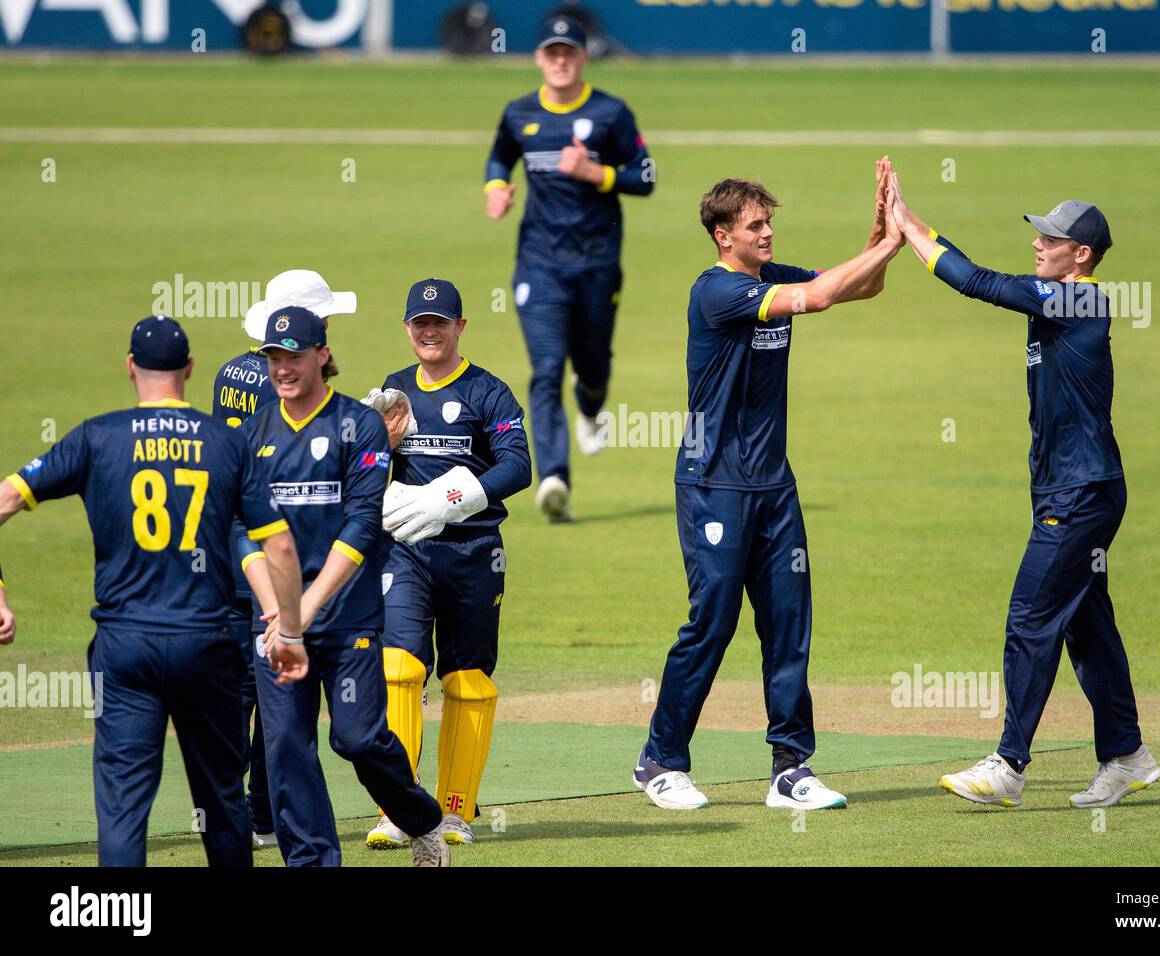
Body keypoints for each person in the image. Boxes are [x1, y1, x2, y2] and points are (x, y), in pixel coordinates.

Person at [888, 172, 1160, 809]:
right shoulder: (1056, 298)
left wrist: (907, 231)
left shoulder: (1078, 302)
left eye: (1052, 237)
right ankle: (1127, 753)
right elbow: (981, 274)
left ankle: (1009, 765)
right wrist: (910, 216)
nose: (1038, 242)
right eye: (1039, 232)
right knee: (1086, 626)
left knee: (1032, 616)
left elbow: (976, 281)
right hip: (1072, 490)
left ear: (1082, 255)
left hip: (1080, 494)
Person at [636, 162, 902, 811]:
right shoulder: (717, 291)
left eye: (770, 222)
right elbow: (816, 297)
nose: (768, 233)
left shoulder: (766, 278)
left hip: (772, 485)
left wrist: (877, 237)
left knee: (788, 623)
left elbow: (855, 291)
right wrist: (895, 241)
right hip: (713, 483)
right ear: (724, 234)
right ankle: (660, 761)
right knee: (713, 621)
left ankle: (790, 770)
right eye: (756, 225)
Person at [0, 315, 307, 866]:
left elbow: (6, 499)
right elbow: (280, 548)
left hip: (126, 647)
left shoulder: (97, 436)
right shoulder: (226, 444)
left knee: (123, 807)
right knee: (220, 800)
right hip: (206, 644)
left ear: (130, 369)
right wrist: (288, 629)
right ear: (190, 369)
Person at [238, 306, 449, 866]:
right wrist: (276, 609)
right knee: (285, 750)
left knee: (355, 739)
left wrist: (303, 609)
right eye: (274, 357)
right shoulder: (254, 432)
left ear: (322, 355)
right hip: (279, 623)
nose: (283, 368)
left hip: (346, 618)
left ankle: (421, 819)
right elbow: (239, 529)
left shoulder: (358, 426)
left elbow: (360, 524)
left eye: (294, 355)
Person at [359, 278, 531, 849]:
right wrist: (365, 441)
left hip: (474, 553)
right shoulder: (394, 389)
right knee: (400, 670)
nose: (429, 332)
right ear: (408, 329)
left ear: (460, 327)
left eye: (440, 322)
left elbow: (518, 465)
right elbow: (363, 467)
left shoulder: (489, 391)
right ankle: (399, 808)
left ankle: (455, 811)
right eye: (419, 324)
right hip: (406, 551)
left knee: (468, 680)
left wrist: (453, 499)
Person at [484, 14, 653, 521]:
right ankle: (555, 475)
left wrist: (596, 172)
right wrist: (496, 190)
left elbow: (645, 177)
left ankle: (592, 405)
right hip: (539, 265)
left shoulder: (610, 113)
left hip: (598, 263)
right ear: (538, 57)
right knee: (546, 368)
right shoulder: (519, 114)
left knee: (593, 363)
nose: (560, 60)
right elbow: (498, 159)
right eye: (551, 52)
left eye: (569, 52)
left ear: (583, 57)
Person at [213, 269, 357, 849]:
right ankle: (260, 815)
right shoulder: (277, 382)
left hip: (234, 547)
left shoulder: (232, 371)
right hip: (268, 554)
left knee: (255, 692)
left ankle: (250, 813)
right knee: (272, 695)